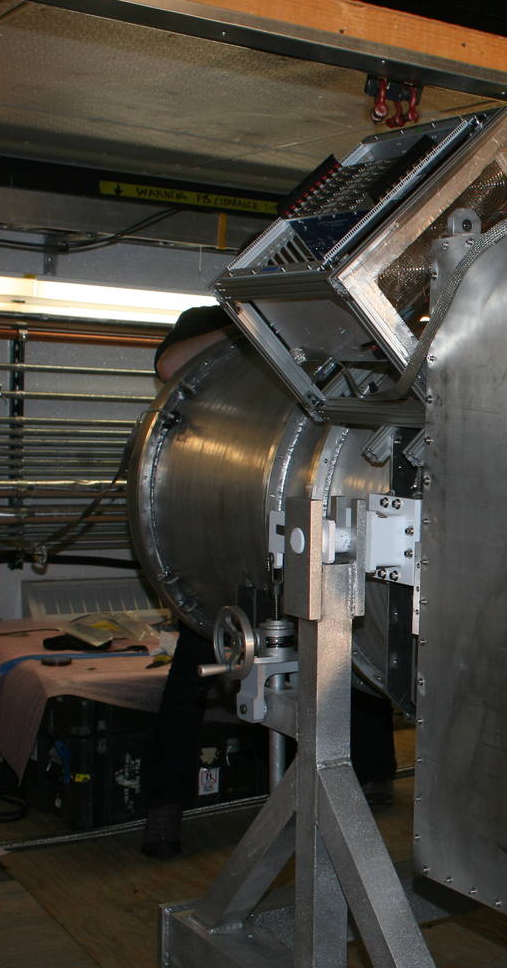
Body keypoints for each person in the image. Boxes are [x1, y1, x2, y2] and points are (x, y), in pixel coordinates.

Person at [139, 305, 398, 858]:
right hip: (235, 540)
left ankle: (375, 772)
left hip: (313, 504)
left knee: (358, 652)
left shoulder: (330, 319)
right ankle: (164, 805)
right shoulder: (209, 319)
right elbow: (170, 367)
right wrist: (249, 320)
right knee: (192, 672)